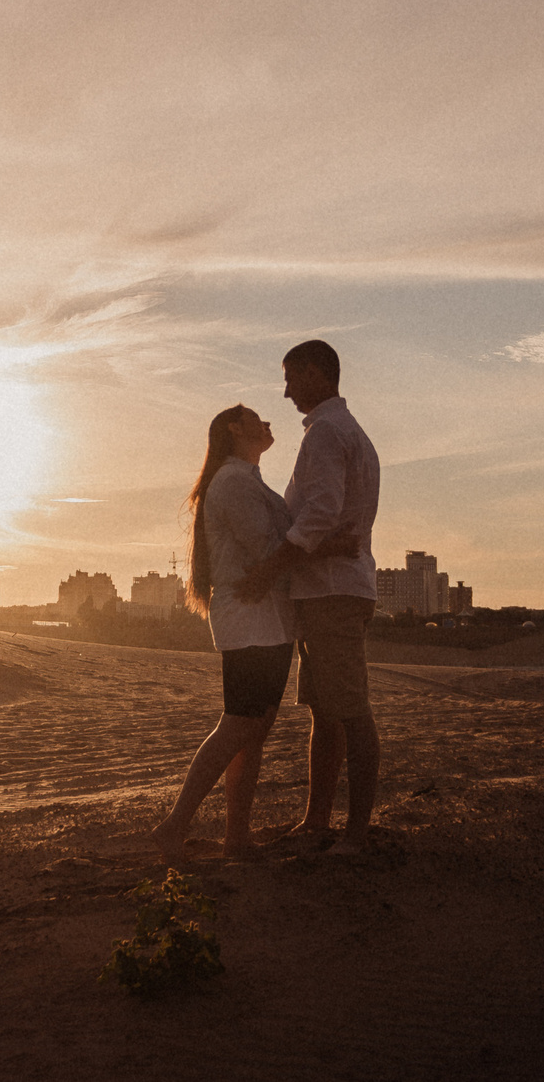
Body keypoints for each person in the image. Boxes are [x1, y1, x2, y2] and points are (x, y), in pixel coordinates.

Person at [239, 338, 381, 856]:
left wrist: (268, 569)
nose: (285, 392)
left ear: (320, 375)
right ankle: (317, 821)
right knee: (326, 710)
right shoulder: (344, 431)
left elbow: (319, 515)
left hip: (333, 593)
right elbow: (328, 520)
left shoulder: (326, 433)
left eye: (292, 378)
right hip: (332, 588)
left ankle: (357, 832)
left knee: (349, 709)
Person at [148, 404, 296, 864]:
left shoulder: (245, 479)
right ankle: (174, 825)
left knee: (254, 729)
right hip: (252, 618)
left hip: (268, 618)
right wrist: (321, 541)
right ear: (235, 429)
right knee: (240, 723)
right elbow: (267, 549)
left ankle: (237, 837)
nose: (267, 422)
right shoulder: (232, 482)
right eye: (256, 417)